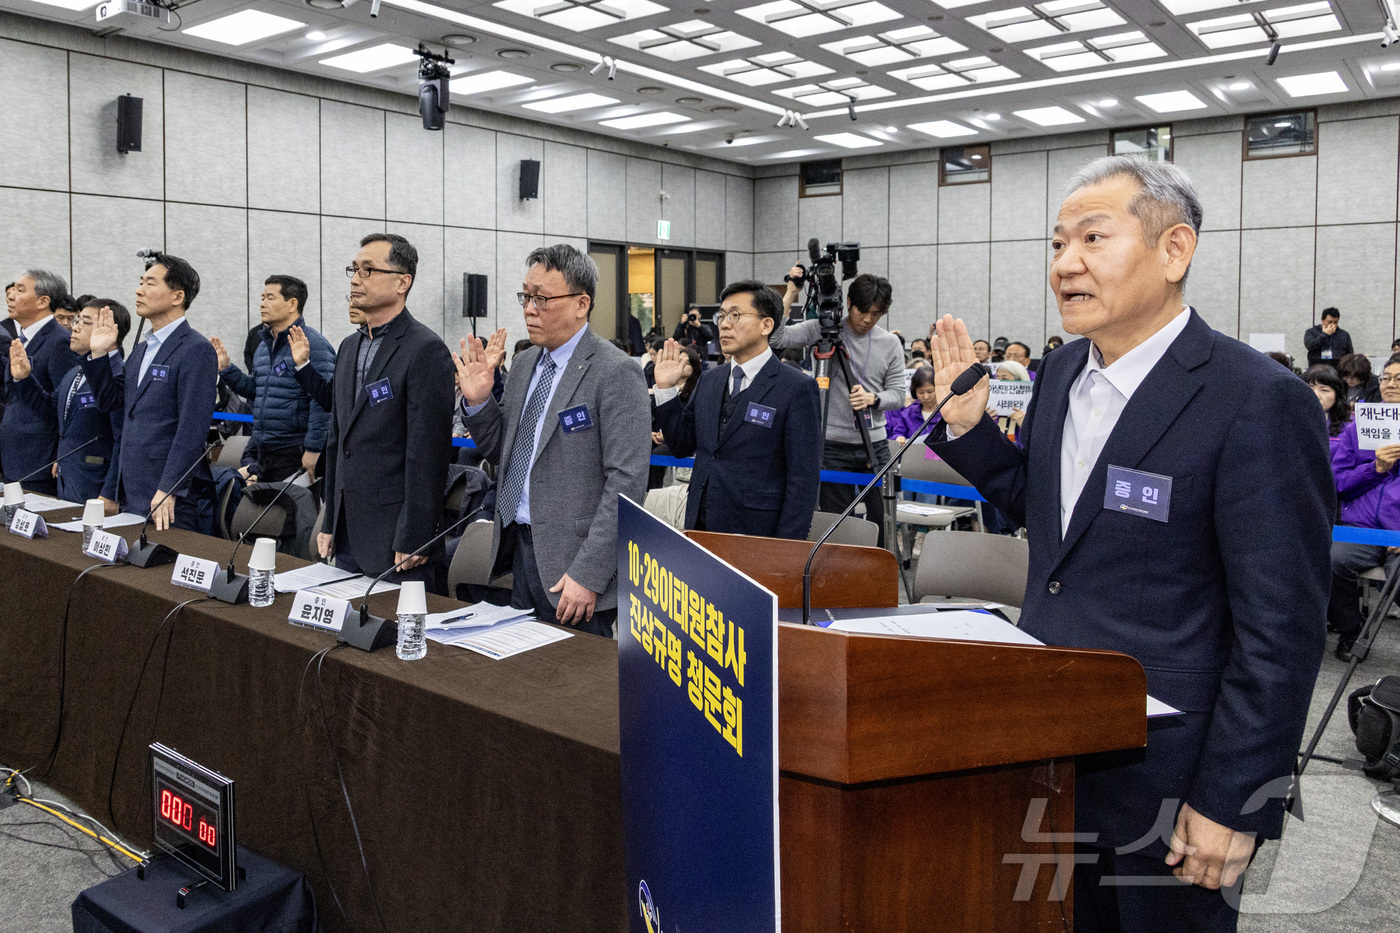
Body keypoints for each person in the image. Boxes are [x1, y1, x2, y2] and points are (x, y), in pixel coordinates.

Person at [928, 155, 1331, 932]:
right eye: (1055, 243)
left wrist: (1232, 801)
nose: (1064, 263)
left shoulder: (1256, 401)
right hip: (1046, 751)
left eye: (1091, 238)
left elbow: (1281, 629)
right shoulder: (1063, 370)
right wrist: (971, 433)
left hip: (1168, 785)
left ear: (1174, 250)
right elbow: (1052, 521)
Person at [454, 244, 650, 637]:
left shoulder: (615, 372)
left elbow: (625, 485)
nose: (529, 308)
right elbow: (505, 454)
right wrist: (478, 403)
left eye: (542, 299)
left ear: (581, 304)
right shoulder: (527, 363)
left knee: (572, 690)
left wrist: (589, 573)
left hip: (575, 565)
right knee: (525, 684)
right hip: (521, 549)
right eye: (526, 296)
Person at [313, 234, 455, 578]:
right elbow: (337, 440)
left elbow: (427, 453)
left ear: (402, 282)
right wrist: (330, 519)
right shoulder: (348, 347)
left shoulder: (425, 349)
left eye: (368, 270)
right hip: (348, 529)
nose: (355, 279)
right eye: (354, 269)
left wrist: (415, 535)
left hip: (398, 538)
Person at [652, 280, 821, 539]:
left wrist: (787, 551)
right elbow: (682, 445)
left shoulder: (797, 387)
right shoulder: (710, 380)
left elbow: (803, 479)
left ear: (766, 325)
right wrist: (665, 389)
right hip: (701, 524)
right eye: (722, 316)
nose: (724, 324)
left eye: (735, 315)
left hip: (759, 533)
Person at [86, 253, 217, 530]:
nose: (139, 290)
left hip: (170, 492)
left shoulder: (196, 349)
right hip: (133, 486)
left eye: (150, 283)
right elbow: (111, 402)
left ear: (177, 296)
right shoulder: (143, 348)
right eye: (140, 282)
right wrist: (98, 354)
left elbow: (192, 428)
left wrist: (170, 487)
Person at [774, 270, 906, 544]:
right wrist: (790, 294)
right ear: (847, 302)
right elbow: (777, 339)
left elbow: (899, 395)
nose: (868, 319)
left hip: (876, 444)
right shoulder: (822, 329)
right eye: (863, 311)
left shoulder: (890, 343)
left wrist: (874, 398)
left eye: (877, 314)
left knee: (883, 516)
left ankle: (877, 575)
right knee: (838, 523)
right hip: (832, 446)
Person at [211, 276, 335, 484]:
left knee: (290, 513)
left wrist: (313, 449)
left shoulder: (312, 344)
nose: (262, 303)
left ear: (292, 304)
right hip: (264, 448)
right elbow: (256, 390)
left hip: (294, 449)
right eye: (262, 297)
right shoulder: (264, 345)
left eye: (270, 297)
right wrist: (226, 369)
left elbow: (322, 402)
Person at [7, 300, 129, 507]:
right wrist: (25, 379)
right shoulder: (75, 371)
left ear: (109, 331)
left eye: (85, 322)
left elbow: (122, 439)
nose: (75, 327)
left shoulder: (119, 374)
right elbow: (51, 411)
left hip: (97, 483)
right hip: (68, 479)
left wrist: (110, 492)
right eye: (77, 320)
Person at [1327, 356, 1400, 660]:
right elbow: (1339, 483)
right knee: (1331, 561)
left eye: (1398, 378)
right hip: (1363, 528)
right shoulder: (1360, 427)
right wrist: (1376, 468)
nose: (1390, 384)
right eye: (1385, 378)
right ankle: (1352, 630)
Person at [2, 270, 82, 494]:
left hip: (39, 461)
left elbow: (64, 408)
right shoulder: (21, 339)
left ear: (43, 301)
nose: (11, 296)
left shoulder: (60, 342)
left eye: (20, 290)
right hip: (12, 456)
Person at [1302, 364, 1351, 459]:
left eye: (1324, 390)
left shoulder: (1349, 427)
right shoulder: (1290, 422)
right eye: (1310, 388)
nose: (1315, 395)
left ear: (1337, 395)